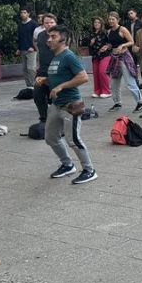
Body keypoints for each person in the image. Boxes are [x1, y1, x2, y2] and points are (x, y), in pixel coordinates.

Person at [38, 25, 96, 185]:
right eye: (49, 37)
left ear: (63, 40)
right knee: (50, 137)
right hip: (56, 105)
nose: (49, 40)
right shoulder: (55, 57)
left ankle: (89, 170)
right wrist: (46, 80)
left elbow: (83, 77)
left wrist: (61, 86)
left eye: (53, 37)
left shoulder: (68, 56)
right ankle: (67, 164)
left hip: (71, 104)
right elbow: (59, 78)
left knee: (73, 139)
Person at [106, 12, 142, 113]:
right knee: (114, 83)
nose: (110, 21)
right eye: (109, 19)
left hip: (124, 58)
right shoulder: (109, 31)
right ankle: (117, 103)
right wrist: (107, 46)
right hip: (114, 59)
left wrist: (123, 45)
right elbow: (111, 43)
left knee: (130, 82)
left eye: (113, 19)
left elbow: (131, 41)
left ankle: (140, 103)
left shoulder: (122, 29)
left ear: (117, 20)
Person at [33, 13, 57, 123]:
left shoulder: (60, 35)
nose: (49, 25)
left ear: (55, 23)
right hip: (42, 70)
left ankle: (57, 118)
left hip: (56, 70)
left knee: (55, 97)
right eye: (46, 23)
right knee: (37, 94)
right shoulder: (40, 35)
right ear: (42, 24)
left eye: (51, 22)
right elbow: (40, 52)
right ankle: (44, 118)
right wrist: (37, 66)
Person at [87, 17, 112, 98]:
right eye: (95, 22)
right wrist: (91, 43)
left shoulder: (105, 32)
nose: (96, 24)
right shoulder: (91, 34)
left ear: (101, 24)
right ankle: (97, 91)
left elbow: (110, 43)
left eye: (98, 22)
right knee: (96, 74)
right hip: (95, 56)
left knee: (102, 72)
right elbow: (89, 46)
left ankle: (107, 91)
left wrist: (106, 46)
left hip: (105, 55)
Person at [16, 8, 37, 88]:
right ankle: (29, 85)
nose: (22, 14)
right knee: (24, 69)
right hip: (23, 49)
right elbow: (20, 37)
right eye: (21, 12)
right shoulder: (20, 24)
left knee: (31, 68)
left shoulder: (33, 24)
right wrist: (18, 48)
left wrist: (33, 47)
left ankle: (34, 84)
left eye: (24, 12)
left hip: (31, 50)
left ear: (28, 14)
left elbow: (35, 37)